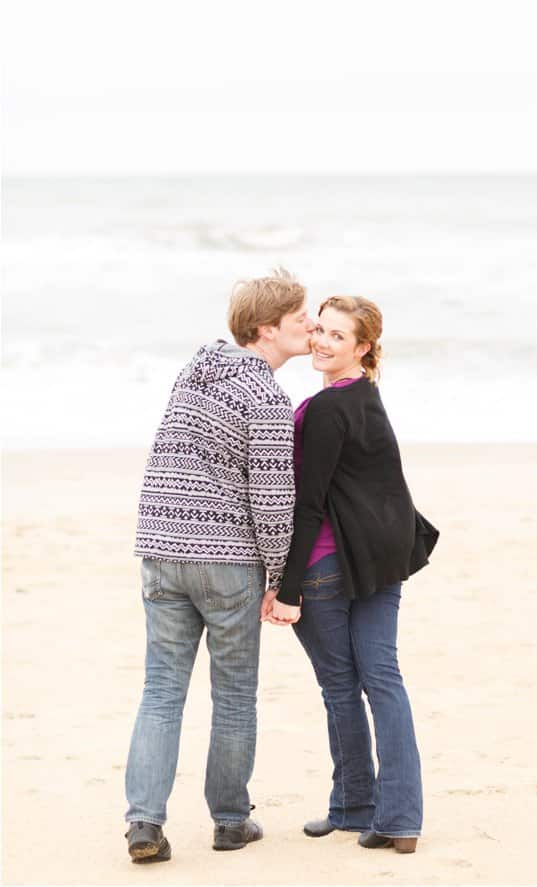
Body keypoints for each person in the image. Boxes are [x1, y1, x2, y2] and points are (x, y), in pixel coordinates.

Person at [125, 268, 314, 863]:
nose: (310, 325)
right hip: (227, 560)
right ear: (267, 329)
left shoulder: (194, 370)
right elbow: (274, 500)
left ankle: (144, 826)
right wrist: (282, 581)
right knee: (233, 695)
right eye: (300, 317)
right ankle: (231, 820)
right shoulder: (266, 397)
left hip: (161, 547)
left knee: (161, 692)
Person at [264, 295, 438, 854]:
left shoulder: (325, 409)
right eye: (319, 330)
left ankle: (355, 806)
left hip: (325, 567)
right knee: (383, 680)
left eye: (337, 337)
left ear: (363, 348)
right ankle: (398, 818)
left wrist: (286, 590)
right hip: (382, 561)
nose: (320, 342)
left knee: (342, 687)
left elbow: (308, 504)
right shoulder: (367, 396)